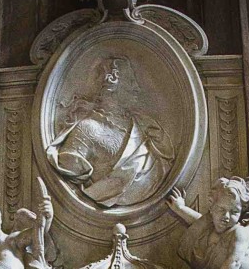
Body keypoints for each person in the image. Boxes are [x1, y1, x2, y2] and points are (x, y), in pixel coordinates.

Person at [47, 56, 175, 207]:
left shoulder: (146, 126)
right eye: (131, 81)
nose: (137, 88)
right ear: (113, 85)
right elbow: (70, 167)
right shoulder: (87, 129)